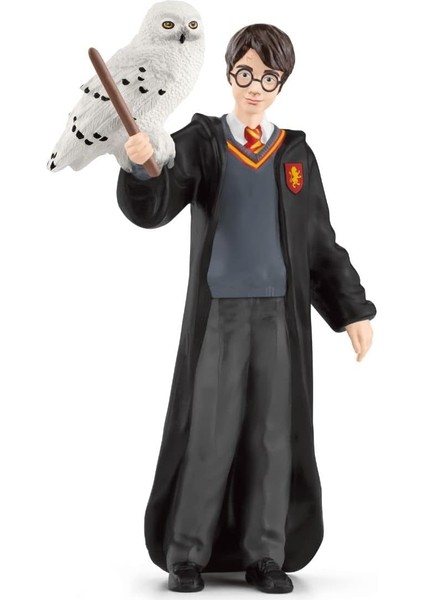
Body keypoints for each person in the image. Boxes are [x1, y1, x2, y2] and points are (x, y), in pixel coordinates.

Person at [117, 23, 376, 594]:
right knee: (208, 431)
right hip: (221, 319)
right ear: (230, 73)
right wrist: (141, 165)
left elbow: (318, 241)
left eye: (268, 77)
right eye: (245, 73)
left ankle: (266, 553)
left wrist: (353, 310)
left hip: (280, 319)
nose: (255, 87)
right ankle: (187, 552)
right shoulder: (203, 141)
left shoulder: (294, 154)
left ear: (281, 83)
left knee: (272, 436)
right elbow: (160, 200)